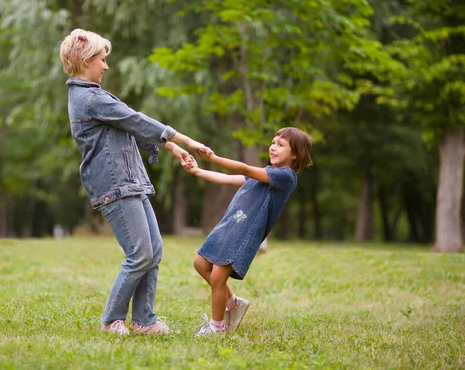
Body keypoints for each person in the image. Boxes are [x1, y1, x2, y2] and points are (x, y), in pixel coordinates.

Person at [59, 28, 207, 335]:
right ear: (86, 62)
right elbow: (136, 119)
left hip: (130, 179)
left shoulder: (93, 96)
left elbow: (129, 126)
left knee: (153, 249)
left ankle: (144, 321)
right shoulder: (88, 98)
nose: (106, 65)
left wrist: (172, 147)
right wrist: (186, 140)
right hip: (114, 183)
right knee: (140, 252)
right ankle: (112, 320)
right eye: (102, 59)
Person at [183, 127, 313, 336]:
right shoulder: (265, 174)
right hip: (230, 225)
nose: (273, 147)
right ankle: (233, 303)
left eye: (281, 145)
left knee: (217, 278)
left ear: (295, 154)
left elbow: (243, 168)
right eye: (273, 142)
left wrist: (213, 157)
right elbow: (230, 179)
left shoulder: (285, 177)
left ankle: (217, 327)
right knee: (200, 263)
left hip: (244, 233)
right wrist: (197, 171)